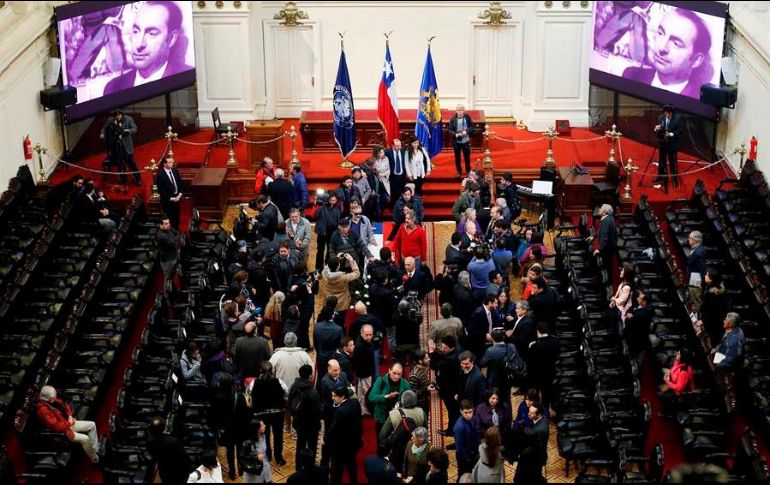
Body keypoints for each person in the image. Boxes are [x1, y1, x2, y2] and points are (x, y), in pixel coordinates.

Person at [622, 7, 713, 99]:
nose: (661, 47)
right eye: (661, 33)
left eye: (676, 43)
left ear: (696, 60)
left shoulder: (699, 100)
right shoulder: (632, 75)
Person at [103, 1, 192, 94]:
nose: (139, 44)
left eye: (151, 34)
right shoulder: (112, 88)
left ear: (171, 39)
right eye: (136, 31)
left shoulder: (189, 78)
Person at [35, 386, 100, 463]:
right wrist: (69, 422)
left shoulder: (51, 399)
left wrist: (70, 416)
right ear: (50, 398)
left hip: (68, 423)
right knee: (85, 439)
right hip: (64, 432)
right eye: (54, 396)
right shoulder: (43, 411)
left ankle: (96, 449)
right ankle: (94, 458)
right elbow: (57, 427)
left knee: (92, 425)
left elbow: (65, 405)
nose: (56, 396)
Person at [326, 387, 364, 483]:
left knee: (337, 470)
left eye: (334, 396)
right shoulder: (355, 403)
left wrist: (326, 439)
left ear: (342, 396)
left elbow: (333, 429)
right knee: (351, 465)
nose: (332, 398)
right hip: (354, 442)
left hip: (341, 446)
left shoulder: (340, 411)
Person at [288, 364, 323, 462]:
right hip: (312, 425)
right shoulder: (312, 392)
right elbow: (318, 411)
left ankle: (299, 465)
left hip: (299, 423)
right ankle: (310, 466)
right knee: (312, 446)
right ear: (310, 375)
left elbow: (290, 403)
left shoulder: (294, 386)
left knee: (300, 444)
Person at [100, 110, 141, 186]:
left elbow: (135, 129)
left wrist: (127, 130)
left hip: (126, 146)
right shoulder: (110, 120)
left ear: (122, 115)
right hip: (115, 146)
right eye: (116, 116)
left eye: (119, 115)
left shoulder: (129, 119)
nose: (118, 117)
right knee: (120, 164)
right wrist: (102, 134)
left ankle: (138, 179)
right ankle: (123, 180)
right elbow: (104, 128)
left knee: (131, 163)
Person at [712, 312, 745, 408]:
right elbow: (723, 343)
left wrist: (718, 366)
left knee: (726, 385)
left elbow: (731, 360)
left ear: (730, 324)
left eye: (726, 320)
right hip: (722, 356)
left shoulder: (734, 339)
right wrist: (717, 348)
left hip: (730, 366)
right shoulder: (732, 330)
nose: (723, 320)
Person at [527, 322, 560, 414]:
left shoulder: (535, 346)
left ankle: (539, 413)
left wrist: (530, 348)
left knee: (536, 395)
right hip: (551, 373)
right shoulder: (556, 342)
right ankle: (547, 413)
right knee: (547, 395)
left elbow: (530, 362)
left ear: (538, 332)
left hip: (538, 375)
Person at [370, 363, 412, 436]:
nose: (396, 376)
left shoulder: (405, 384)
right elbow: (372, 397)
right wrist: (386, 397)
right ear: (389, 371)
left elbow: (410, 401)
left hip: (397, 418)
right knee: (381, 440)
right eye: (394, 373)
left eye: (399, 374)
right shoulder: (381, 380)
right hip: (382, 417)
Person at [146, 416, 190, 484]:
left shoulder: (149, 440)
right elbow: (184, 460)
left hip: (163, 470)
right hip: (175, 472)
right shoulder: (173, 442)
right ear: (164, 427)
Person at [694, 268, 728, 346]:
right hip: (710, 317)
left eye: (707, 275)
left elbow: (713, 311)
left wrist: (703, 320)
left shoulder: (714, 294)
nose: (705, 276)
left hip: (713, 322)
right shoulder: (712, 286)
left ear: (711, 279)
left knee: (712, 340)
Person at [653, 104, 684, 190]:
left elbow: (680, 131)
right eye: (666, 113)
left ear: (672, 113)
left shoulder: (678, 118)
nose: (667, 115)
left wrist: (670, 134)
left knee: (672, 162)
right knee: (661, 161)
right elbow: (659, 129)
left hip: (672, 144)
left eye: (669, 114)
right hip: (663, 143)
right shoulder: (661, 117)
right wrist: (656, 129)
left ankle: (674, 179)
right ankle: (660, 176)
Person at [624, 290, 654, 376]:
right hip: (634, 335)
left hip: (638, 339)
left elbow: (629, 322)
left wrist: (629, 318)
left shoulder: (643, 313)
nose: (637, 298)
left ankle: (637, 375)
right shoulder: (638, 305)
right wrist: (630, 315)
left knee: (637, 357)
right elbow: (630, 309)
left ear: (644, 301)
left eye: (639, 298)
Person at [659, 349, 695, 417]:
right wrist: (668, 375)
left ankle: (668, 413)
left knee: (661, 394)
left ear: (682, 357)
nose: (676, 354)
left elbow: (679, 388)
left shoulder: (684, 372)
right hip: (673, 383)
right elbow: (672, 370)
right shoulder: (678, 361)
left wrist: (667, 383)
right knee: (660, 385)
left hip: (680, 392)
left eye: (678, 354)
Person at [454, 399, 481, 480]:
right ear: (461, 411)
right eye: (466, 412)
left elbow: (477, 432)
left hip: (474, 452)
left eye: (470, 412)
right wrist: (468, 459)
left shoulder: (474, 419)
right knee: (462, 475)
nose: (468, 415)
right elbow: (459, 448)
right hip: (464, 456)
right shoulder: (459, 427)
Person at [314, 192, 341, 271]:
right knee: (320, 250)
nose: (332, 202)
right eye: (331, 200)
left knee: (330, 251)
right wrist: (316, 204)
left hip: (332, 233)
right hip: (322, 232)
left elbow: (338, 220)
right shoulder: (321, 207)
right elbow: (315, 215)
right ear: (328, 199)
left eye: (334, 200)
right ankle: (319, 268)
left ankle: (328, 266)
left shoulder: (337, 209)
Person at [468, 295, 500, 362]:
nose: (497, 305)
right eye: (495, 303)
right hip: (479, 345)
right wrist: (484, 335)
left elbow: (496, 324)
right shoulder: (478, 313)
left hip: (490, 343)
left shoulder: (493, 312)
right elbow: (472, 331)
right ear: (490, 303)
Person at [354, 324, 377, 414]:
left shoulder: (364, 342)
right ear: (362, 334)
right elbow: (357, 362)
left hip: (366, 371)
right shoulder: (360, 347)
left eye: (370, 335)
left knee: (362, 392)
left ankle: (362, 409)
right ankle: (365, 410)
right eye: (366, 335)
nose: (368, 337)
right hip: (364, 373)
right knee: (366, 392)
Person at [448, 104, 475, 177]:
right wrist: (456, 134)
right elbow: (450, 130)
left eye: (462, 110)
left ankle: (468, 170)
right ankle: (459, 171)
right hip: (457, 142)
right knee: (457, 157)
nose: (460, 111)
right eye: (459, 110)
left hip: (465, 140)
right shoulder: (453, 119)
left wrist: (466, 131)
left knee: (467, 156)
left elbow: (472, 127)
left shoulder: (467, 117)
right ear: (456, 111)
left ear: (464, 111)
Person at [157, 214, 181, 293]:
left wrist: (175, 238)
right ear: (161, 225)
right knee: (167, 279)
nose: (168, 225)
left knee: (171, 277)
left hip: (173, 256)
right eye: (166, 224)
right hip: (168, 261)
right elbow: (174, 242)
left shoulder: (168, 228)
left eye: (169, 223)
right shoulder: (161, 236)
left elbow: (177, 234)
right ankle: (167, 296)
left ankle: (173, 289)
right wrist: (176, 238)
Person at [592, 203, 618, 274]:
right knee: (608, 264)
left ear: (604, 212)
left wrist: (599, 250)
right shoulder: (609, 218)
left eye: (601, 208)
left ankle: (606, 281)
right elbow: (600, 230)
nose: (599, 209)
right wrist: (593, 236)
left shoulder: (606, 221)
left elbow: (605, 238)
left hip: (607, 249)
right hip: (611, 246)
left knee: (606, 266)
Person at [686, 230, 707, 306]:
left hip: (696, 281)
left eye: (690, 237)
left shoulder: (699, 252)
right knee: (692, 302)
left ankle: (698, 317)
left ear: (695, 240)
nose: (688, 239)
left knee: (696, 303)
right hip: (693, 279)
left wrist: (701, 284)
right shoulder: (696, 249)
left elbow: (702, 270)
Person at [386, 138, 407, 204]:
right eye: (397, 146)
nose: (399, 147)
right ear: (393, 146)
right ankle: (394, 208)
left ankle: (402, 206)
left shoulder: (404, 151)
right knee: (394, 193)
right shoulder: (388, 152)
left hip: (402, 176)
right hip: (393, 176)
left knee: (402, 192)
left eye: (400, 145)